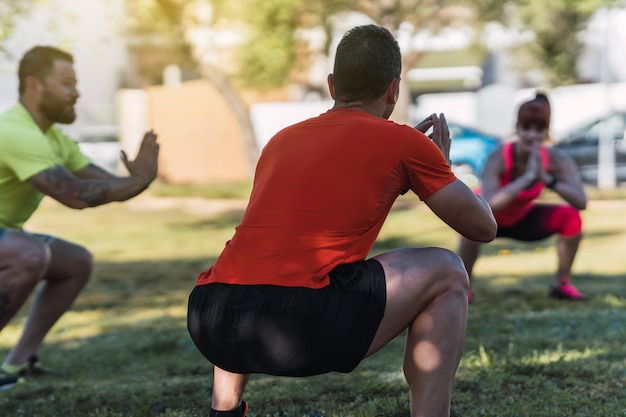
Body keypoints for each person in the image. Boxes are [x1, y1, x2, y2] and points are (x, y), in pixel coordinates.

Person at [187, 25, 497, 417]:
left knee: (252, 264)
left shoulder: (281, 141)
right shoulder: (404, 142)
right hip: (300, 328)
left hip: (210, 317)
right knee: (449, 269)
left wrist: (400, 175)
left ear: (333, 86)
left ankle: (224, 410)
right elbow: (483, 227)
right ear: (394, 90)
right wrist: (440, 168)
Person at [0, 46, 159, 389]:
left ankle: (16, 367)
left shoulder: (52, 137)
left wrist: (138, 180)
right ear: (34, 85)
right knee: (29, 254)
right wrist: (136, 181)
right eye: (67, 83)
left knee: (75, 262)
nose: (76, 92)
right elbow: (73, 194)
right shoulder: (15, 131)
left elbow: (106, 184)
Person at [457, 92, 588, 302]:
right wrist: (526, 179)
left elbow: (581, 202)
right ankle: (464, 288)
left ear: (546, 132)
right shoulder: (499, 156)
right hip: (489, 218)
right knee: (470, 225)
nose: (532, 136)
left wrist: (547, 179)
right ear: (517, 129)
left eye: (539, 130)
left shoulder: (556, 159)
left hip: (521, 218)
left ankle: (563, 284)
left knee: (571, 217)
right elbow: (489, 204)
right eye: (526, 128)